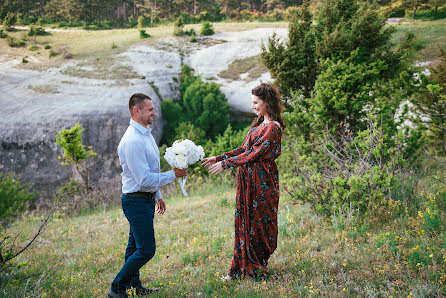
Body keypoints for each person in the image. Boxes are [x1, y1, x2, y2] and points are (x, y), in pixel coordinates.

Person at [202, 83, 285, 280]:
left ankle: (255, 267)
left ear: (267, 102)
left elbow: (255, 154)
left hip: (262, 180)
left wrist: (227, 164)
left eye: (256, 102)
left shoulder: (273, 128)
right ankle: (240, 268)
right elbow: (244, 149)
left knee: (258, 223)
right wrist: (220, 158)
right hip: (248, 179)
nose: (253, 106)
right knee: (244, 222)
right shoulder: (259, 124)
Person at [108, 93, 187, 298]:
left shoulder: (145, 134)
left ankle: (134, 286)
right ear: (137, 110)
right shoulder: (132, 141)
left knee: (133, 246)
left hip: (145, 199)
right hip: (135, 201)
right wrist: (174, 174)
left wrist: (158, 195)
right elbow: (143, 180)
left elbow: (152, 169)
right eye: (150, 109)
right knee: (146, 250)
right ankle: (117, 289)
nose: (154, 112)